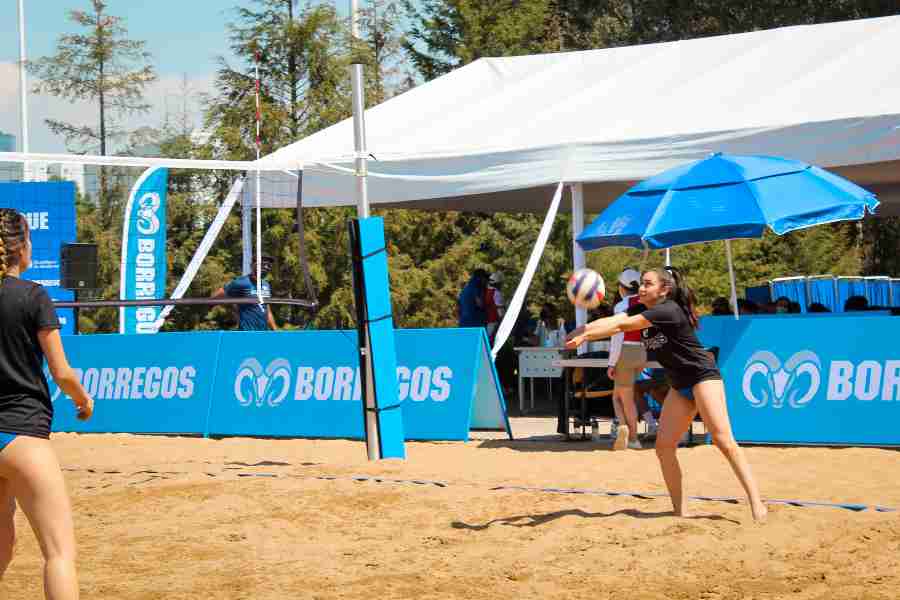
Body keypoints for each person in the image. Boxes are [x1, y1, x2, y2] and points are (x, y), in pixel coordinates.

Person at [566, 266, 766, 522]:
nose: (641, 288)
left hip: (703, 377)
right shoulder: (644, 309)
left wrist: (586, 336)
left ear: (664, 290)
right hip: (680, 383)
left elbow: (624, 325)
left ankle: (756, 503)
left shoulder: (667, 310)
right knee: (664, 447)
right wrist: (583, 330)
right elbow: (614, 321)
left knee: (723, 440)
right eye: (641, 283)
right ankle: (680, 510)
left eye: (648, 284)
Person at [0, 208, 94, 599]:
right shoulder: (33, 296)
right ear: (20, 247)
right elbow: (61, 372)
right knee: (59, 554)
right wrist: (83, 399)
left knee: (2, 543)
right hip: (23, 434)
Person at [607, 268, 644, 450]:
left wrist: (611, 363)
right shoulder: (646, 303)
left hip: (625, 352)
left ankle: (631, 436)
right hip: (641, 353)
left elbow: (617, 337)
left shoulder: (621, 307)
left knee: (624, 399)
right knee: (618, 396)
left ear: (622, 287)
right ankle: (624, 428)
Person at [212, 255, 278, 331]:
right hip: (246, 332)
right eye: (263, 264)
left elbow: (267, 310)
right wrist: (233, 304)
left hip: (263, 332)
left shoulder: (266, 285)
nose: (266, 267)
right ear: (252, 265)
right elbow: (215, 297)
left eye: (269, 265)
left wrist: (275, 330)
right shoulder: (241, 282)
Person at [484, 272, 505, 343]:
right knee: (491, 340)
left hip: (485, 320)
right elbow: (500, 310)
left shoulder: (484, 291)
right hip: (493, 320)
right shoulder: (497, 293)